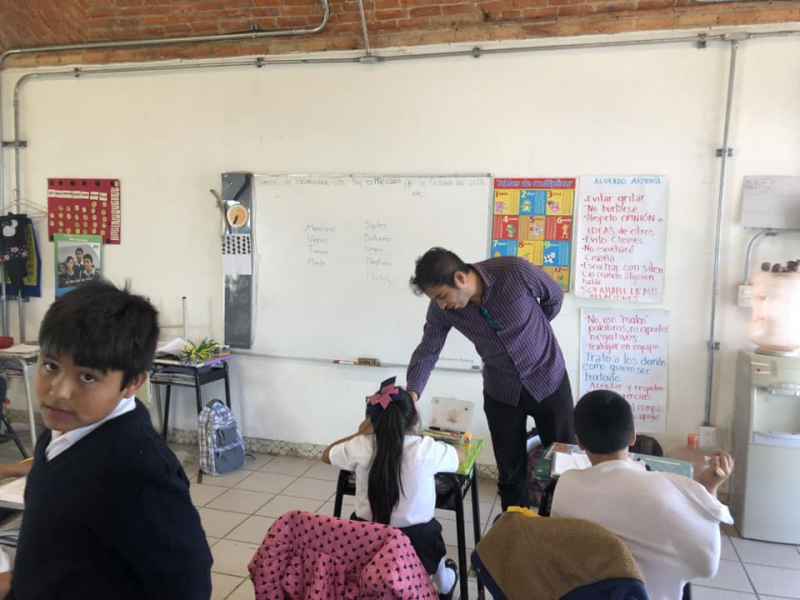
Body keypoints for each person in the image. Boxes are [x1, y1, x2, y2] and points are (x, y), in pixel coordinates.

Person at [8, 280, 212, 599]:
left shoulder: (140, 471)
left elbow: (188, 584)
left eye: (87, 377)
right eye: (50, 366)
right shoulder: (63, 427)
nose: (59, 392)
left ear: (133, 383)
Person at [407, 247, 574, 511]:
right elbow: (428, 348)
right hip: (502, 391)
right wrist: (412, 392)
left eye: (442, 296)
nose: (441, 305)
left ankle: (560, 523)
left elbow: (553, 297)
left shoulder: (514, 272)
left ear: (460, 278)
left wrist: (536, 329)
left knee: (564, 465)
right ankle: (515, 527)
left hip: (548, 379)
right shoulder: (442, 310)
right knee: (510, 473)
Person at [550, 390, 734, 600]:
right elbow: (707, 566)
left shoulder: (565, 485)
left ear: (580, 442)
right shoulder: (672, 491)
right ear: (633, 437)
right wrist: (709, 490)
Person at [323, 381, 459, 599]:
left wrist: (359, 433)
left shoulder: (361, 445)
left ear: (371, 421)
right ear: (414, 418)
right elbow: (458, 459)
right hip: (419, 543)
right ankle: (444, 584)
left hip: (366, 539)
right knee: (434, 547)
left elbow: (327, 454)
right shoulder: (425, 449)